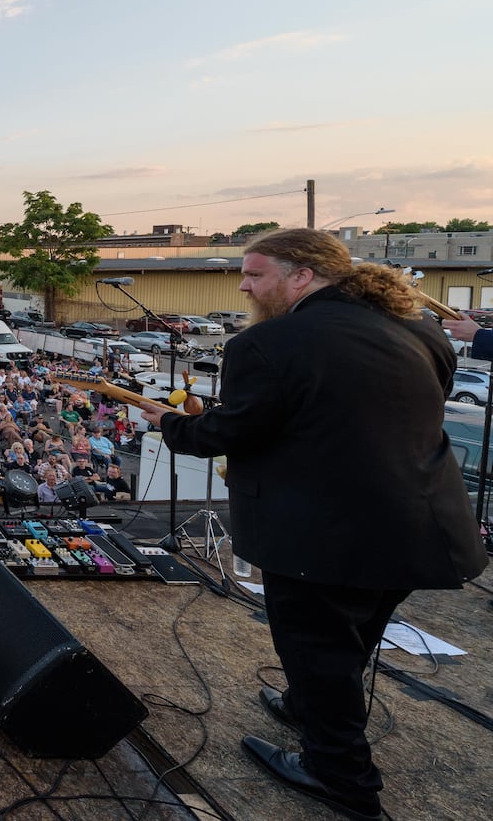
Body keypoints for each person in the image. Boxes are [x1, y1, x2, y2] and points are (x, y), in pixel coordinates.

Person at [138, 229, 485, 821]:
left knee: (317, 650)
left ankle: (341, 776)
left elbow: (236, 432)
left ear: (301, 275)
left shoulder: (269, 342)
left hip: (321, 533)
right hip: (422, 523)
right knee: (356, 634)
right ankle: (305, 707)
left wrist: (171, 424)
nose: (244, 286)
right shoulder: (419, 329)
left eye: (254, 274)